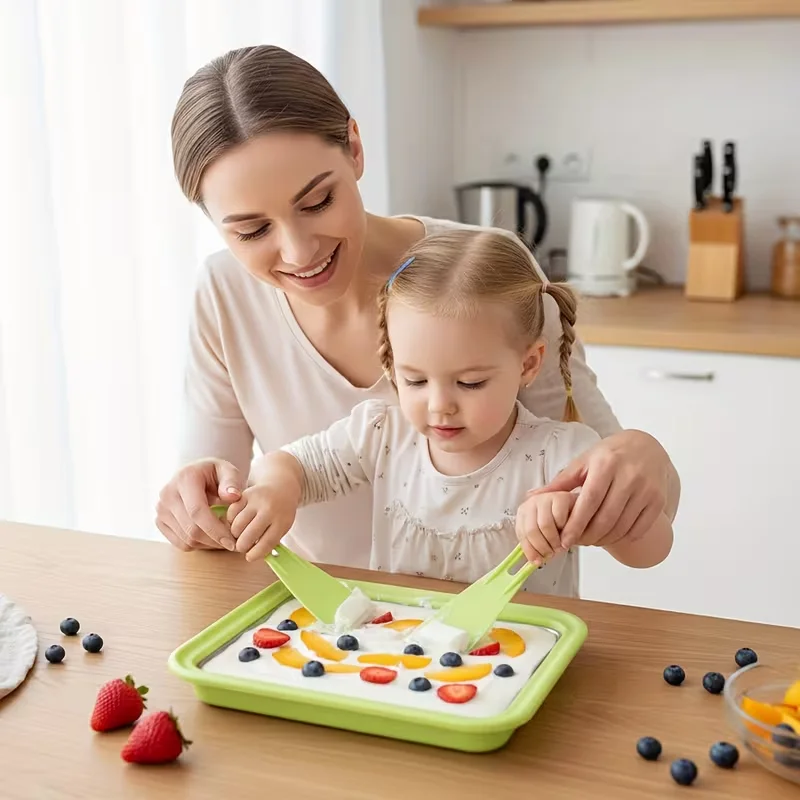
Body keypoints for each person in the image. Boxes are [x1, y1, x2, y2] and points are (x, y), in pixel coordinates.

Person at [156, 44, 680, 574]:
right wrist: (200, 504)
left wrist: (644, 459)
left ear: (355, 148)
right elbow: (227, 502)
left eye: (317, 202)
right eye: (252, 230)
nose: (298, 252)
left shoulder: (482, 276)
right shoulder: (224, 291)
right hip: (330, 616)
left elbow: (623, 493)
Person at [222, 228, 673, 595]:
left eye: (470, 383)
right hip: (402, 657)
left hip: (526, 663)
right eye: (415, 381)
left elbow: (651, 551)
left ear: (528, 365)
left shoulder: (563, 456)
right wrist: (277, 487)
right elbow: (295, 465)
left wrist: (585, 515)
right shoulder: (381, 433)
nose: (440, 406)